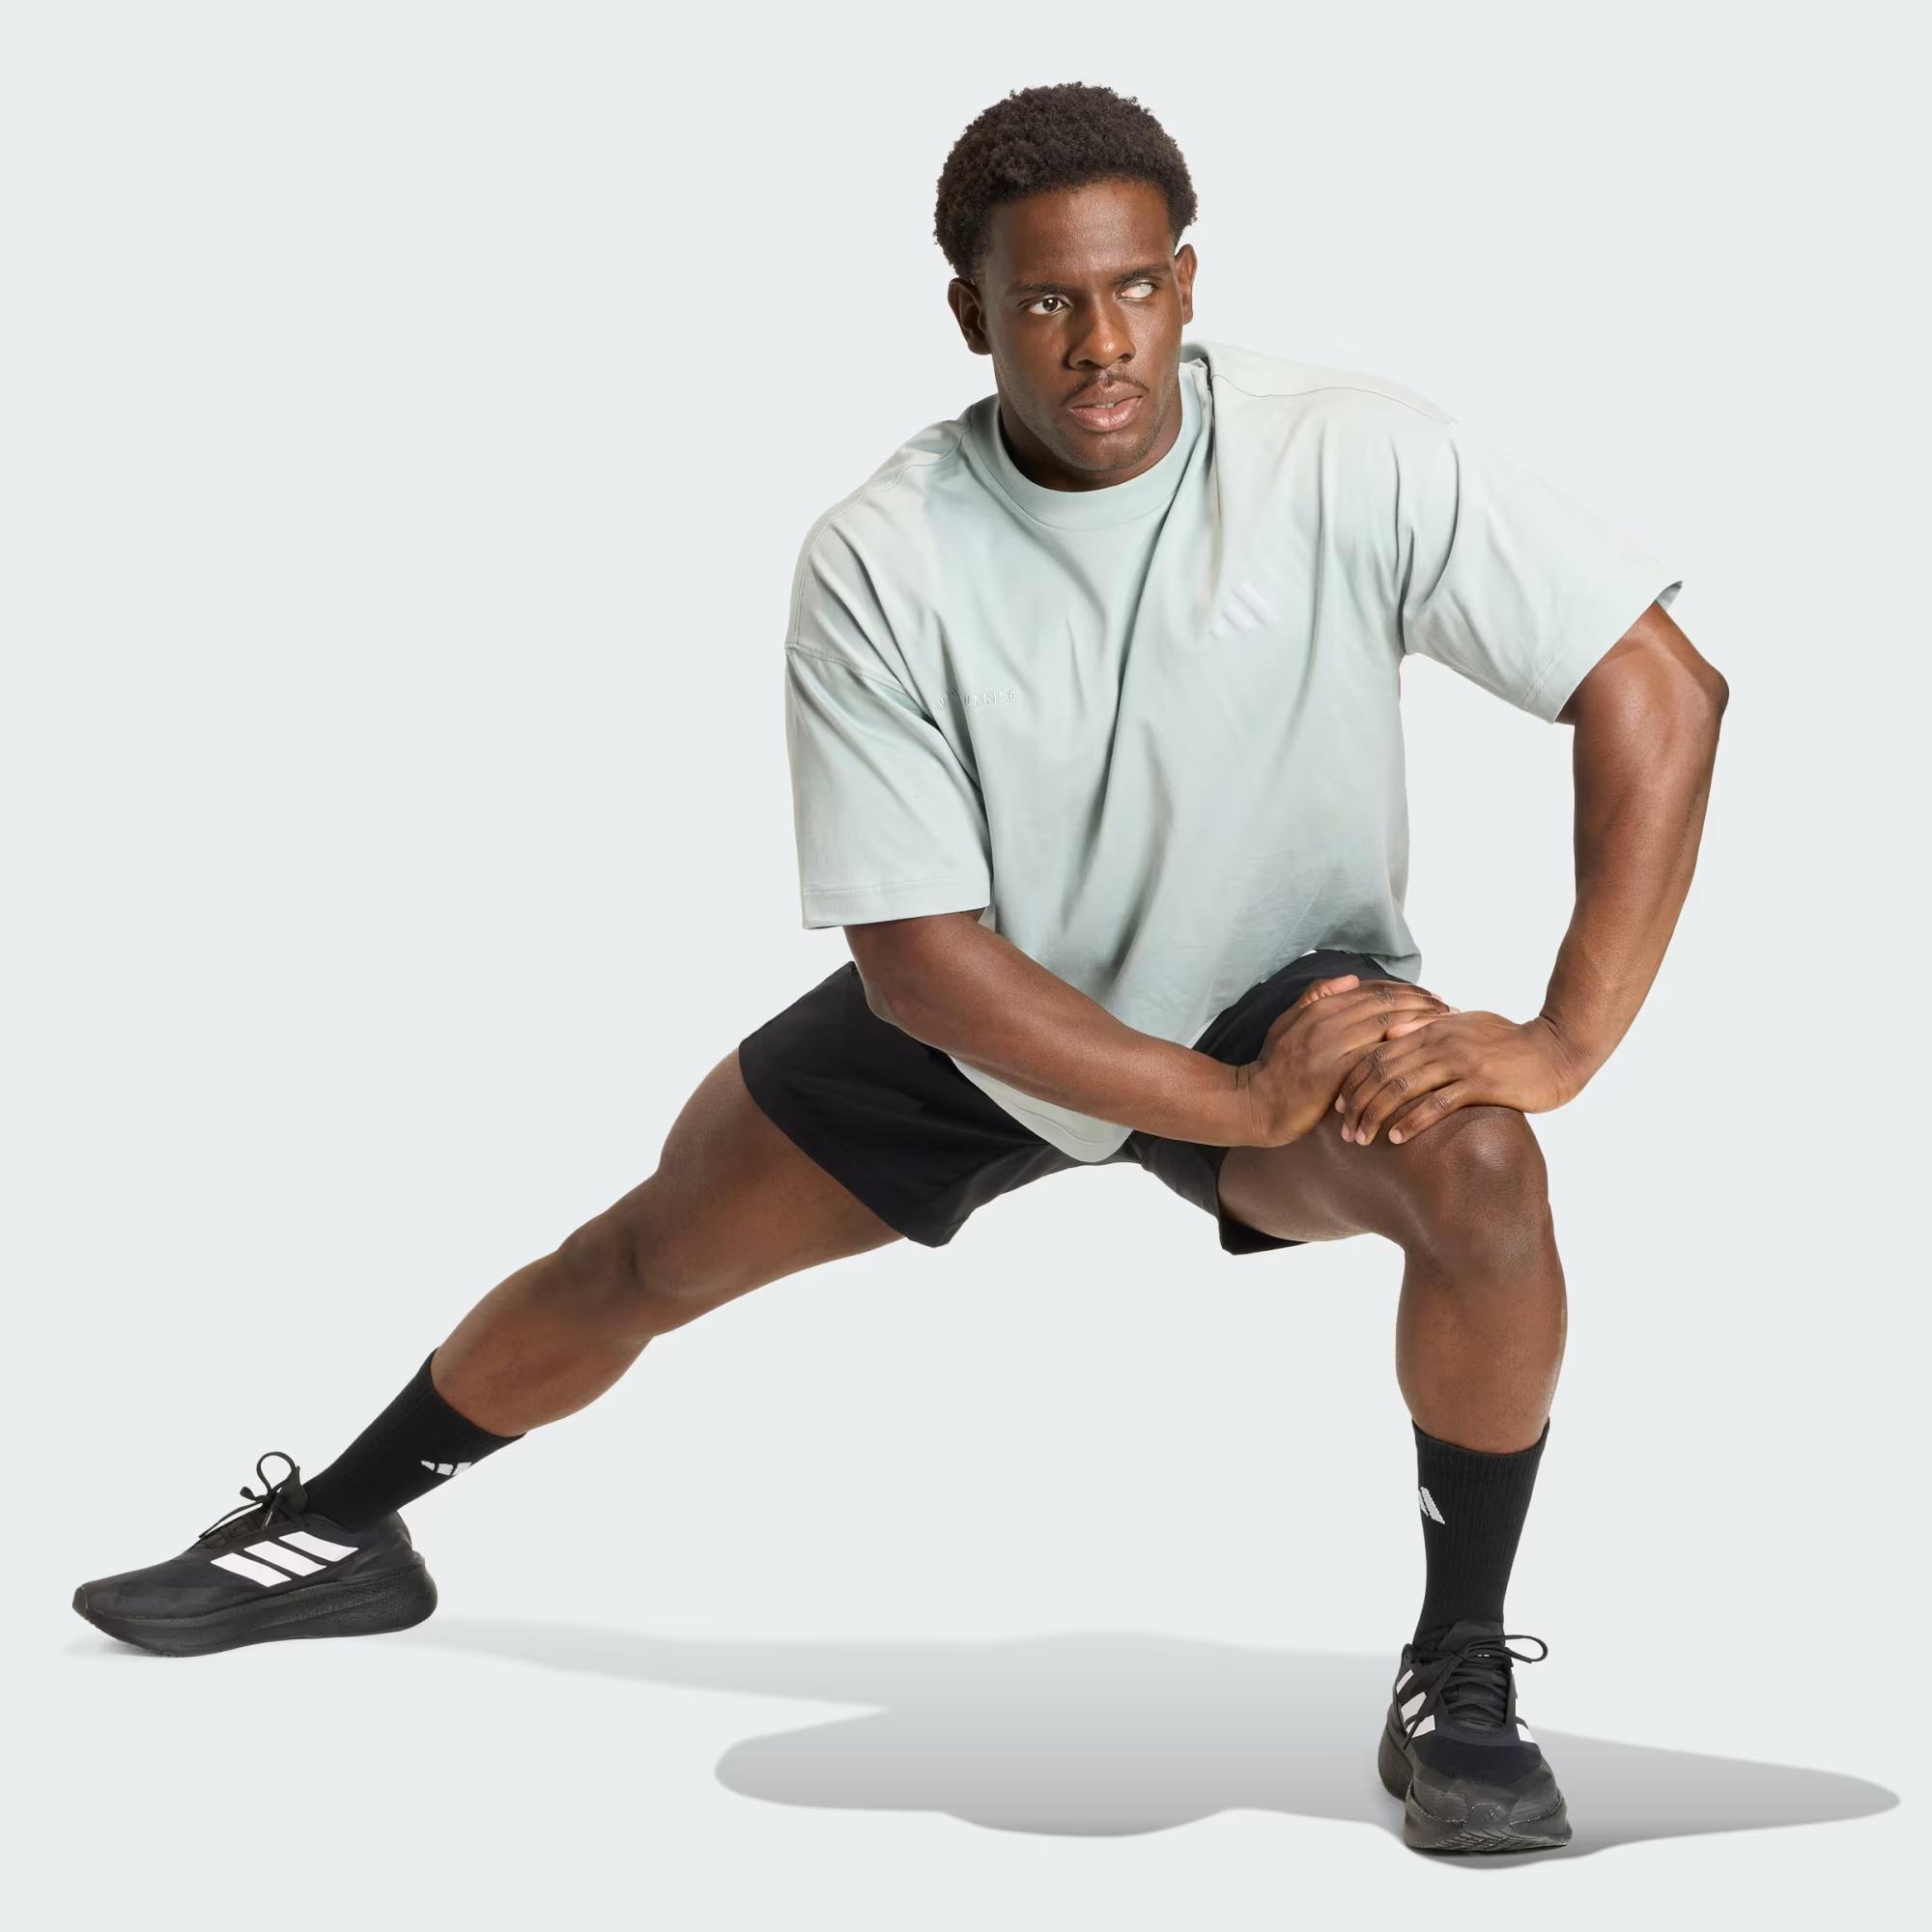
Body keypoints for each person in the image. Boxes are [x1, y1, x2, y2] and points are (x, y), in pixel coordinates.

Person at [72, 81, 1725, 1857]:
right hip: (994, 1006)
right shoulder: (885, 553)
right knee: (642, 1256)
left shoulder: (1349, 453)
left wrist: (1567, 1035)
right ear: (969, 311)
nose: (1102, 343)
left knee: (1483, 1169)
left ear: (1185, 280)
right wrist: (1229, 1104)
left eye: (1136, 288)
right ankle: (346, 1526)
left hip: (1277, 989)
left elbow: (1659, 688)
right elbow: (924, 964)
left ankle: (1456, 1672)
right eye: (1047, 301)